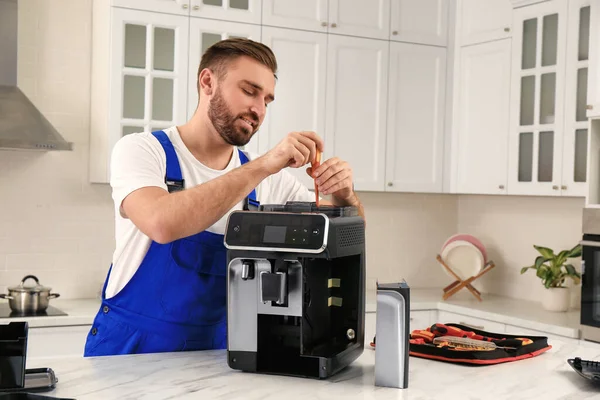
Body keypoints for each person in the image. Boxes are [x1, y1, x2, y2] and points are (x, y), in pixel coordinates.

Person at [83, 38, 365, 357]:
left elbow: (345, 240)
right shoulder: (142, 151)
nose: (258, 109)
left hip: (218, 356)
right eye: (249, 91)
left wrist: (345, 196)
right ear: (208, 82)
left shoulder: (268, 179)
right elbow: (160, 222)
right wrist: (263, 166)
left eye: (267, 100)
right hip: (130, 352)